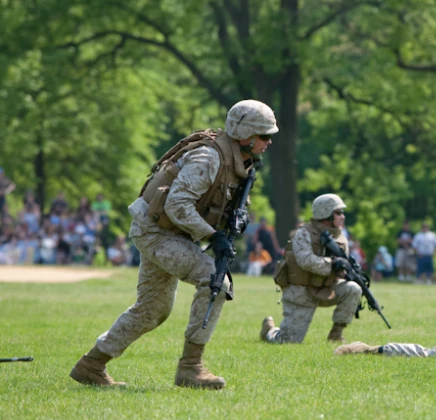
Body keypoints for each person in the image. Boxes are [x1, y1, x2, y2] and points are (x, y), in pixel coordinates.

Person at [69, 99, 279, 389]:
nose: (269, 142)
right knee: (215, 282)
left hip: (170, 232)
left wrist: (235, 219)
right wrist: (212, 235)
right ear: (246, 136)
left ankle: (91, 365)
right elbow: (176, 204)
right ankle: (191, 368)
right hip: (157, 232)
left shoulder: (239, 160)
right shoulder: (209, 158)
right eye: (265, 136)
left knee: (153, 309)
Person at [261, 194, 362, 344]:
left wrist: (346, 270)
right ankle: (269, 331)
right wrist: (332, 264)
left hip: (327, 289)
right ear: (325, 213)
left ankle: (336, 334)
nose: (343, 216)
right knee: (288, 342)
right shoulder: (303, 234)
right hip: (301, 291)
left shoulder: (340, 239)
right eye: (338, 212)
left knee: (353, 288)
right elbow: (305, 261)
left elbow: (341, 269)